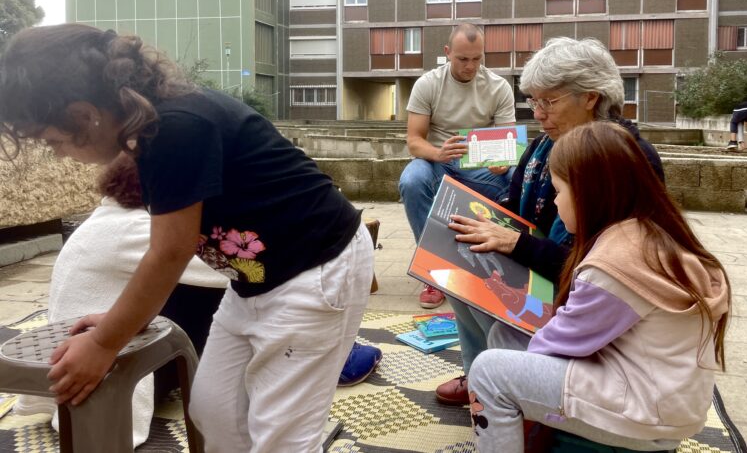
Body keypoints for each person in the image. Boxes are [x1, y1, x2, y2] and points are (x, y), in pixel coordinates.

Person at [0, 24, 374, 452]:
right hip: (254, 281)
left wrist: (106, 343)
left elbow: (169, 252)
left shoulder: (177, 127)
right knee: (214, 410)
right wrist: (127, 318)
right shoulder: (150, 130)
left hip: (316, 269)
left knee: (283, 434)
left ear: (85, 114)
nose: (58, 153)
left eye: (54, 141)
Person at [468, 121, 731, 452]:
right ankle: (535, 435)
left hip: (644, 414)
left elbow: (560, 343)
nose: (555, 204)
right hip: (655, 391)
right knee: (503, 337)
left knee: (490, 372)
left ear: (587, 193)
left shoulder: (615, 263)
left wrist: (520, 377)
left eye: (559, 192)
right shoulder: (643, 231)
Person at [434, 37, 664, 406]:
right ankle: (482, 375)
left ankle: (510, 384)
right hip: (546, 267)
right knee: (456, 263)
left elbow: (602, 272)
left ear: (590, 97)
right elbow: (516, 208)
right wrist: (486, 218)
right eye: (533, 101)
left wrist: (514, 243)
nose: (538, 114)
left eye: (549, 102)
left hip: (585, 297)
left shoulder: (623, 159)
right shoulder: (543, 147)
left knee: (478, 275)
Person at [15, 153, 229, 449]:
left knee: (175, 284)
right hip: (101, 368)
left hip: (69, 357)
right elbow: (226, 271)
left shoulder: (106, 219)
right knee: (218, 295)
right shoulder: (135, 228)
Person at [399, 22, 516, 309]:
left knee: (517, 177)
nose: (470, 66)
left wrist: (503, 161)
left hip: (480, 168)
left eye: (477, 59)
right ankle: (433, 269)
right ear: (448, 53)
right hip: (437, 163)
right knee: (411, 180)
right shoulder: (428, 84)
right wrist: (438, 153)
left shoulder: (498, 87)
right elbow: (414, 141)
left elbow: (508, 143)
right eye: (463, 59)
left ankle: (511, 263)